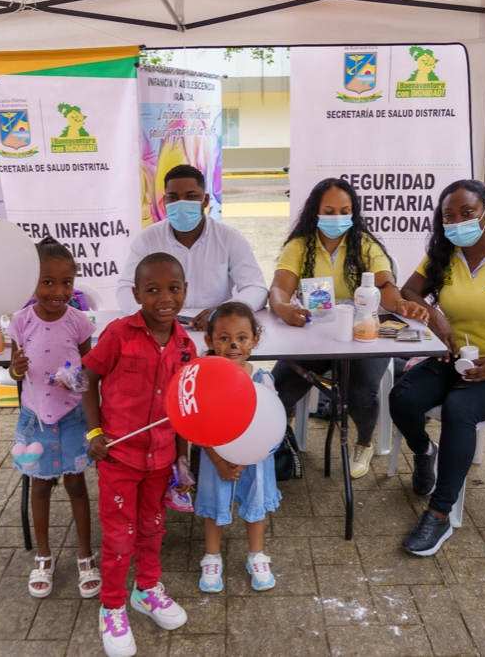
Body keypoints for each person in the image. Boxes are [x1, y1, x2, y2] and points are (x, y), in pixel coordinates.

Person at [389, 180, 485, 557]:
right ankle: (423, 452)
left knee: (459, 409)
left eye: (467, 213)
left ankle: (439, 513)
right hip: (453, 358)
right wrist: (433, 314)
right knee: (402, 396)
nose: (457, 222)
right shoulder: (443, 254)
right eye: (448, 216)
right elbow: (408, 291)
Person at [268, 178, 429, 478]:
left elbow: (385, 284)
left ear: (354, 213)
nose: (336, 218)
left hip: (362, 334)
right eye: (328, 211)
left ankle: (364, 443)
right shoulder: (299, 246)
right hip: (314, 335)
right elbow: (279, 288)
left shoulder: (365, 245)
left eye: (345, 211)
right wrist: (283, 307)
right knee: (276, 390)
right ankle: (278, 440)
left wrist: (400, 305)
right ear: (314, 212)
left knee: (361, 394)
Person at [83, 252, 196, 657]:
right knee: (118, 537)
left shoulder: (186, 346)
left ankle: (145, 590)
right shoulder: (118, 334)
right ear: (136, 294)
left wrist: (182, 461)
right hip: (119, 459)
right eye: (152, 290)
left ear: (185, 291)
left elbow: (185, 409)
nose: (164, 298)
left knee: (152, 527)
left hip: (161, 460)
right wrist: (94, 431)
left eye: (174, 289)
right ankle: (112, 606)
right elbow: (88, 378)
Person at [7, 237, 99, 599]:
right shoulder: (20, 322)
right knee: (41, 487)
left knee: (77, 486)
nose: (58, 291)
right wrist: (15, 369)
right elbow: (17, 373)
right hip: (36, 422)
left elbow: (89, 374)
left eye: (66, 283)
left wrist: (75, 378)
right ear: (33, 282)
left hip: (72, 418)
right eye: (48, 282)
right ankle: (43, 557)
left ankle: (85, 555)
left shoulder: (79, 323)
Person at [115, 164, 267, 329]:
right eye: (173, 197)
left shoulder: (229, 238)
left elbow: (256, 288)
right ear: (164, 201)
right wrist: (148, 317)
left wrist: (225, 311)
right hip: (160, 329)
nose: (181, 204)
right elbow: (125, 288)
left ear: (206, 200)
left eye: (191, 196)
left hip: (215, 329)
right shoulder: (148, 239)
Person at [196, 302, 281, 593]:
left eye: (242, 338)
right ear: (209, 341)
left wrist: (249, 456)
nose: (233, 344)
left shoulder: (263, 379)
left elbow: (272, 424)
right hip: (215, 457)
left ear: (255, 340)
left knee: (255, 507)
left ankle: (257, 555)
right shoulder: (206, 380)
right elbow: (199, 426)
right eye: (224, 338)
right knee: (215, 507)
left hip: (255, 460)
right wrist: (219, 460)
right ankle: (212, 556)